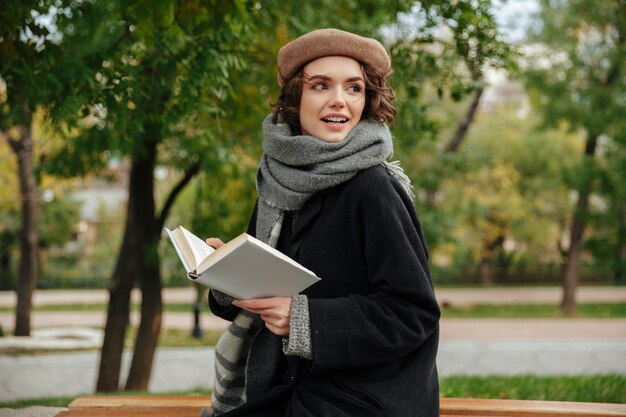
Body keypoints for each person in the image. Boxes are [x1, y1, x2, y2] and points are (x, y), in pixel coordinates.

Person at [205, 28, 440, 417]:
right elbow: (264, 296)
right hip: (296, 388)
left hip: (365, 401)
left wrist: (304, 319)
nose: (339, 101)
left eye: (354, 88)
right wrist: (227, 275)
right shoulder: (278, 180)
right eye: (320, 86)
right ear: (296, 98)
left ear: (368, 100)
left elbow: (413, 313)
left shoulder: (374, 187)